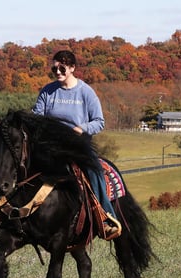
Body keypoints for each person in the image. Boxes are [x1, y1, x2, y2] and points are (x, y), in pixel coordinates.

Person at [32, 50, 121, 240]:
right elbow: (37, 117)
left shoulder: (86, 92)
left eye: (62, 68)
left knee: (95, 170)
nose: (57, 72)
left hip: (77, 145)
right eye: (54, 68)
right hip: (51, 145)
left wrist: (81, 129)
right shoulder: (47, 91)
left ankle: (105, 216)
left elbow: (99, 121)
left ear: (72, 68)